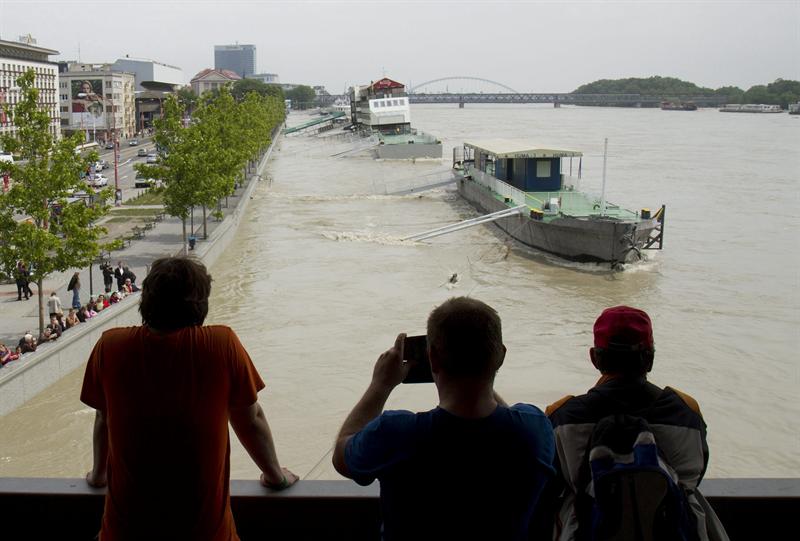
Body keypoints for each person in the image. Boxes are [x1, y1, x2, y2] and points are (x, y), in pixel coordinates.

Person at [81, 256, 298, 540]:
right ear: (200, 304)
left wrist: (98, 476)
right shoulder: (222, 345)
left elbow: (103, 419)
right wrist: (275, 476)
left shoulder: (110, 347)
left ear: (145, 300)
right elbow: (250, 419)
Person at [332, 297, 555, 541]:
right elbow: (511, 420)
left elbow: (342, 456)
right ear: (501, 356)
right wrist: (480, 370)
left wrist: (381, 385)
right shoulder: (536, 429)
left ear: (433, 358)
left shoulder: (396, 434)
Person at [546, 306, 726, 541]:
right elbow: (696, 476)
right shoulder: (687, 414)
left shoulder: (563, 417)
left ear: (594, 358)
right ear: (650, 358)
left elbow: (552, 485)